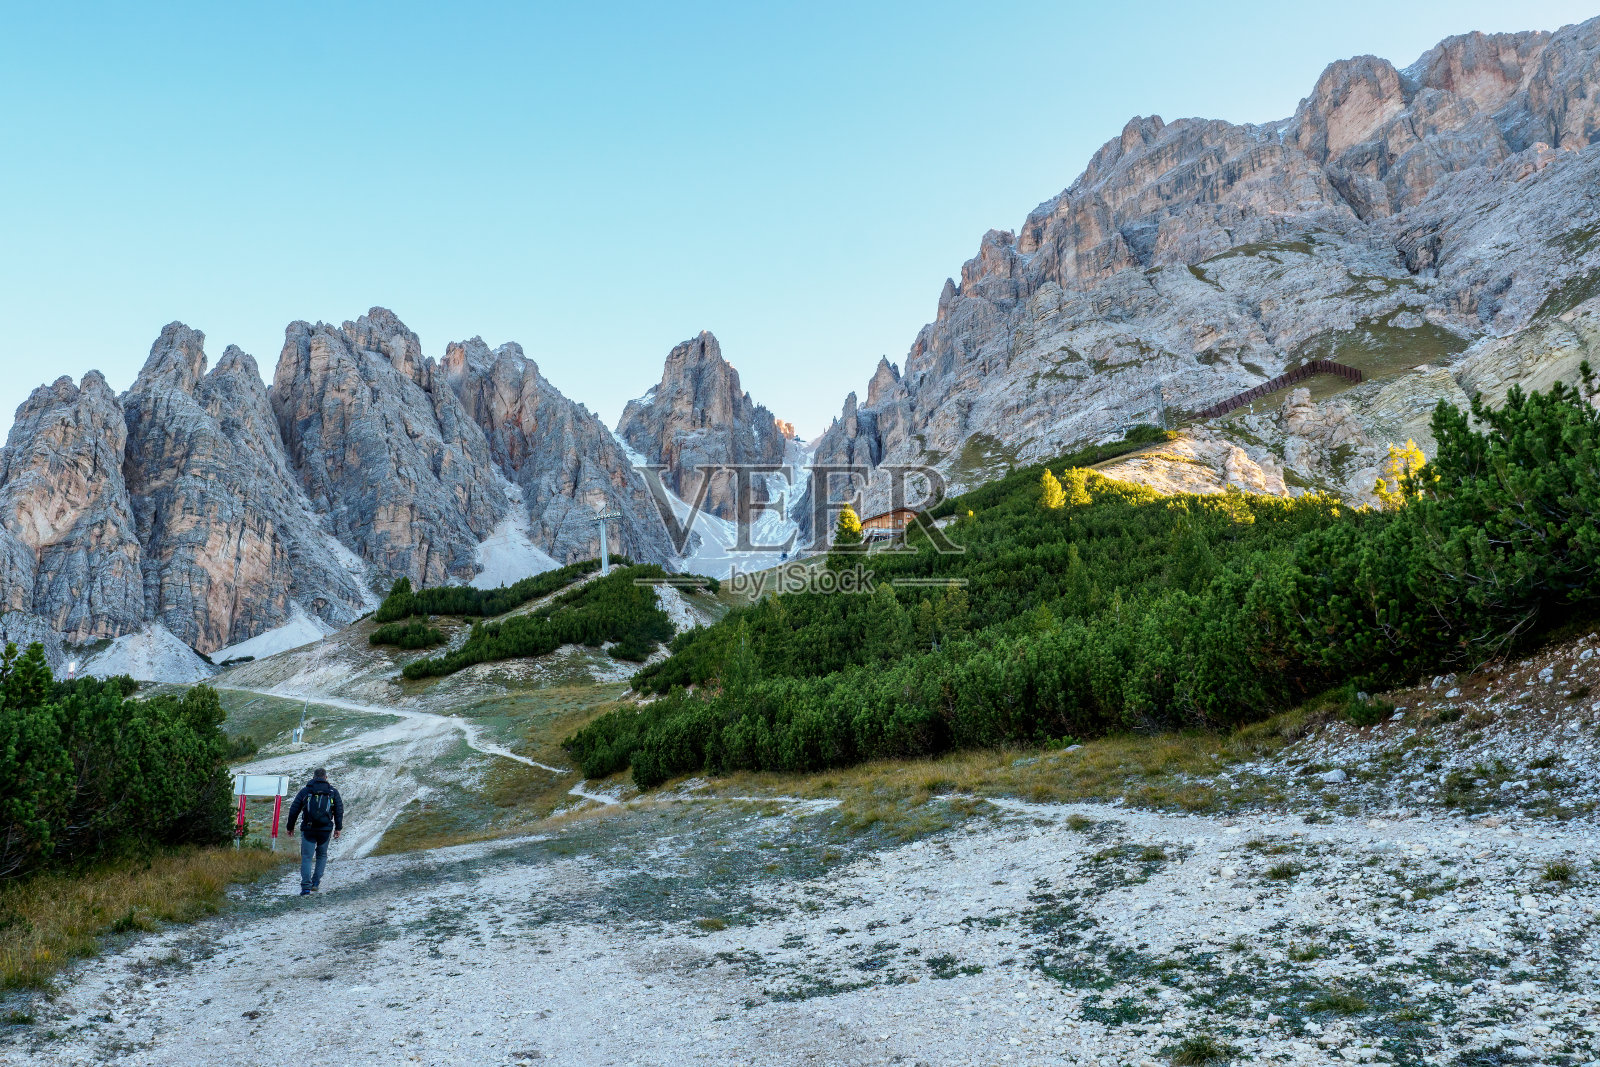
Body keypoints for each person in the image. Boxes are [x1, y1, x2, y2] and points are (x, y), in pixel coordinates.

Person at [285, 768, 344, 896]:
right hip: (325, 829)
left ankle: (306, 888)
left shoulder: (306, 791)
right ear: (326, 777)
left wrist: (290, 827)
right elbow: (339, 811)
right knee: (321, 856)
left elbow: (294, 809)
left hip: (308, 829)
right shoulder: (333, 792)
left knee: (306, 857)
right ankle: (316, 883)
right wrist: (338, 828)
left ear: (313, 777)